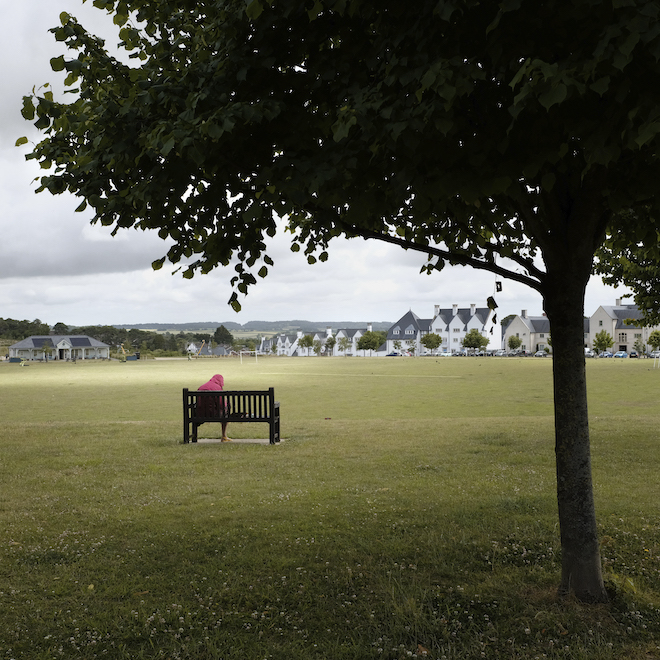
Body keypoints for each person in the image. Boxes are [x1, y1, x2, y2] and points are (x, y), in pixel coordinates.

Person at [198, 374, 231, 441]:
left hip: (200, 414)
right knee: (225, 414)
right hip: (214, 414)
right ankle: (224, 436)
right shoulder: (217, 388)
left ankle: (194, 436)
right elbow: (221, 405)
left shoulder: (201, 387)